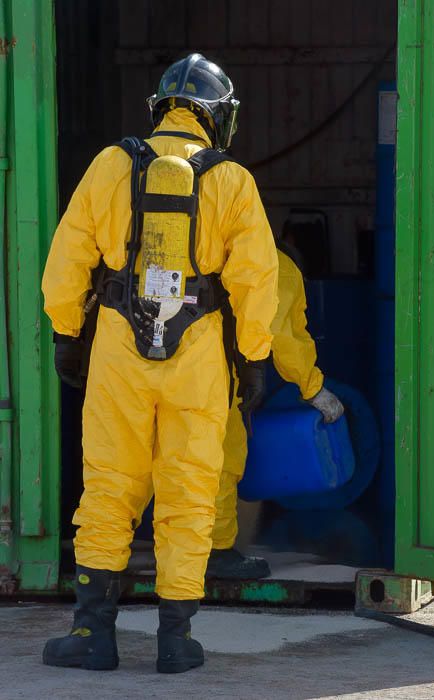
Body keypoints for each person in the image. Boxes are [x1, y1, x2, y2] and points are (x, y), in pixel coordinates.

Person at [41, 53, 278, 674]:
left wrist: (68, 334)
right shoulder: (232, 181)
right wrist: (253, 360)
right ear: (217, 118)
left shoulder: (111, 164)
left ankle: (92, 635)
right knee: (189, 488)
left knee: (110, 485)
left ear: (160, 110)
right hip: (199, 354)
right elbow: (258, 283)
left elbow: (67, 259)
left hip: (119, 346)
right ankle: (176, 641)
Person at [206, 245, 344, 580]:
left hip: (143, 366)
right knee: (220, 461)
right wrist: (312, 387)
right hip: (210, 376)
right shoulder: (274, 264)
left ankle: (107, 559)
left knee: (140, 464)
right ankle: (216, 553)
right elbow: (284, 332)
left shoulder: (191, 246)